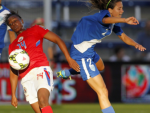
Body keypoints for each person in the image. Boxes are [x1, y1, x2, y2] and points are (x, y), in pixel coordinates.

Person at [57, 0, 146, 113]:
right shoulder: (104, 15)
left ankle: (68, 72)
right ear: (110, 10)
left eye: (122, 8)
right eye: (119, 8)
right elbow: (105, 20)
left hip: (90, 51)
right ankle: (72, 70)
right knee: (103, 91)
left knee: (101, 67)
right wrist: (124, 20)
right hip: (82, 53)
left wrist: (136, 44)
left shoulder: (114, 21)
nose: (122, 11)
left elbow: (123, 37)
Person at [5, 11, 80, 113]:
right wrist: (13, 95)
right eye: (11, 24)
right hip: (26, 78)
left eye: (15, 21)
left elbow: (58, 39)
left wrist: (69, 58)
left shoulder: (36, 29)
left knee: (43, 100)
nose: (14, 24)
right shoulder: (12, 46)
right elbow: (13, 71)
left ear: (21, 21)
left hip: (40, 70)